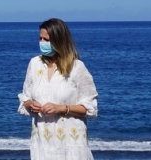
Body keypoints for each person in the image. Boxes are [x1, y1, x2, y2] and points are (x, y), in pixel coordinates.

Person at [18, 18, 98, 160]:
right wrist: (31, 105)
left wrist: (62, 108)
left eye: (46, 40)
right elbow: (25, 99)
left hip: (71, 146)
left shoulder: (77, 67)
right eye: (40, 38)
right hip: (42, 143)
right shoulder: (34, 64)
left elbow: (90, 108)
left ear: (59, 41)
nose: (42, 43)